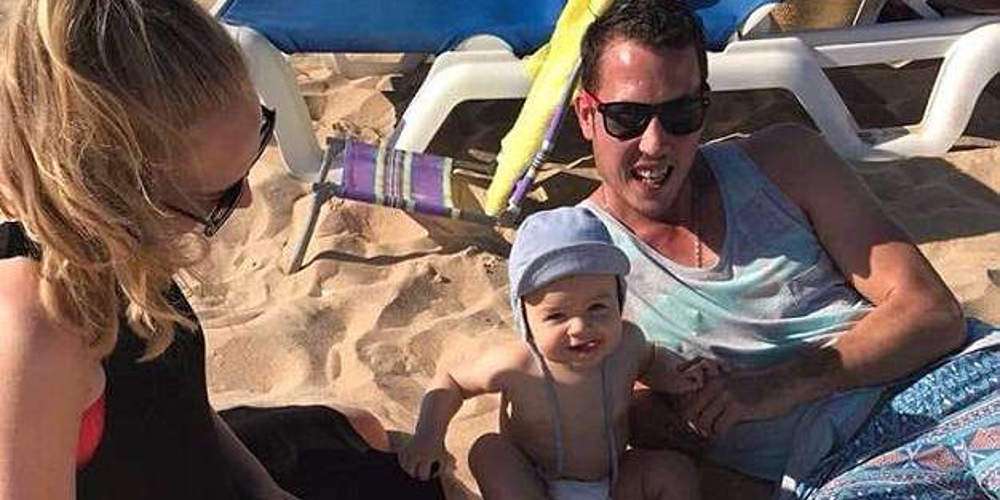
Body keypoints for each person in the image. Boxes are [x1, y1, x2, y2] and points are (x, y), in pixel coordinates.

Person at [0, 1, 441, 499]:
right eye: (219, 196)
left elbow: (174, 399)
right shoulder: (35, 337)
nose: (249, 198)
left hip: (188, 460)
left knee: (360, 431)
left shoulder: (122, 239)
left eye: (260, 136)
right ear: (112, 193)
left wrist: (265, 488)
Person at [569, 0, 1000, 498]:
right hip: (839, 473)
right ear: (587, 114)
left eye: (680, 114)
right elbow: (586, 423)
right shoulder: (576, 256)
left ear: (704, 107)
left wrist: (782, 383)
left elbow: (933, 312)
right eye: (627, 116)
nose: (654, 143)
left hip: (956, 384)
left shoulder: (784, 162)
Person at [398, 206, 723, 500]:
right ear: (526, 320)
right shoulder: (519, 364)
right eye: (556, 315)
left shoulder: (628, 344)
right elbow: (452, 380)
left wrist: (679, 374)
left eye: (597, 307)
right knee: (488, 451)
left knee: (674, 471)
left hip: (611, 480)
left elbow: (652, 362)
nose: (580, 327)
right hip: (535, 481)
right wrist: (429, 435)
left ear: (618, 301)